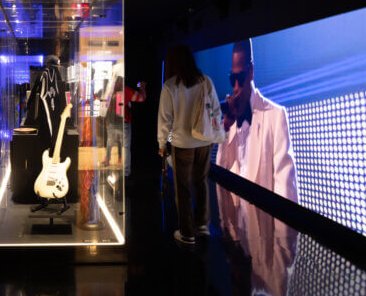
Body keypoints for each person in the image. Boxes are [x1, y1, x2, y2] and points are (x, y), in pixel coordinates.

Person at [216, 39, 298, 201]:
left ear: (251, 71)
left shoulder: (275, 116)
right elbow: (221, 179)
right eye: (233, 79)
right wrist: (224, 130)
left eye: (240, 77)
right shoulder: (229, 121)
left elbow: (286, 197)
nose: (236, 87)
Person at [157, 44, 219, 246]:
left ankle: (187, 232)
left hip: (182, 143)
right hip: (204, 141)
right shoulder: (205, 82)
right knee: (201, 182)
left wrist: (162, 143)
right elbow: (216, 110)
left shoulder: (171, 86)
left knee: (182, 188)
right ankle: (202, 224)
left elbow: (164, 119)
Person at [103, 76, 146, 177]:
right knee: (126, 147)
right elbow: (141, 98)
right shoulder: (127, 90)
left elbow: (106, 107)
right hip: (125, 122)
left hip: (113, 121)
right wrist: (142, 87)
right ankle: (126, 172)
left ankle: (107, 160)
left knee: (110, 142)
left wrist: (106, 120)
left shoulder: (111, 92)